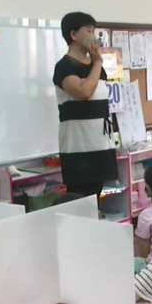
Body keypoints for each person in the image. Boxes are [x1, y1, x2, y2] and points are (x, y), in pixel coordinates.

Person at [53, 12, 117, 199]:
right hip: (78, 150)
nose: (93, 35)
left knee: (96, 202)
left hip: (100, 147)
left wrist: (96, 64)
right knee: (78, 202)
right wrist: (97, 62)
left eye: (94, 30)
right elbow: (84, 92)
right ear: (73, 35)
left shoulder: (97, 68)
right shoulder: (64, 66)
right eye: (89, 30)